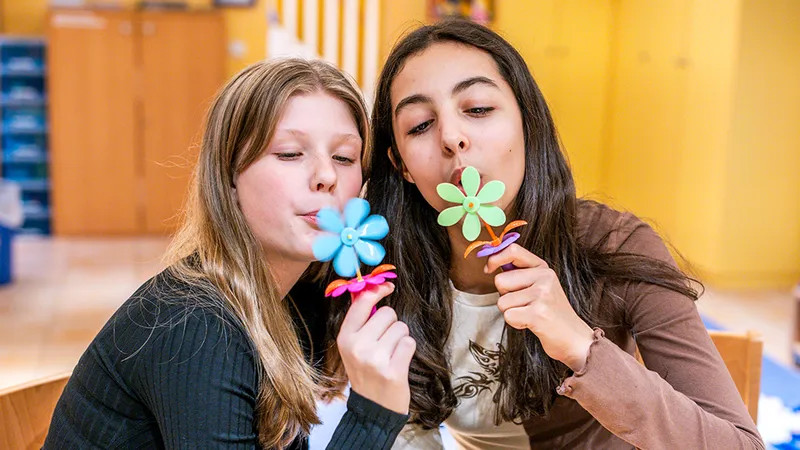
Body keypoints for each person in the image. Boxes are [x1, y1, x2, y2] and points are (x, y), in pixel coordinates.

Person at [335, 19, 765, 449]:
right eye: (420, 126)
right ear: (401, 164)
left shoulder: (615, 245)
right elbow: (408, 426)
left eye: (478, 109)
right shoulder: (378, 270)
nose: (452, 137)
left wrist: (580, 346)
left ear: (527, 121)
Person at [44, 58, 415, 449]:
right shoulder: (198, 328)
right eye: (290, 153)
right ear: (229, 175)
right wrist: (373, 415)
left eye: (344, 157)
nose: (327, 176)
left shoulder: (295, 299)